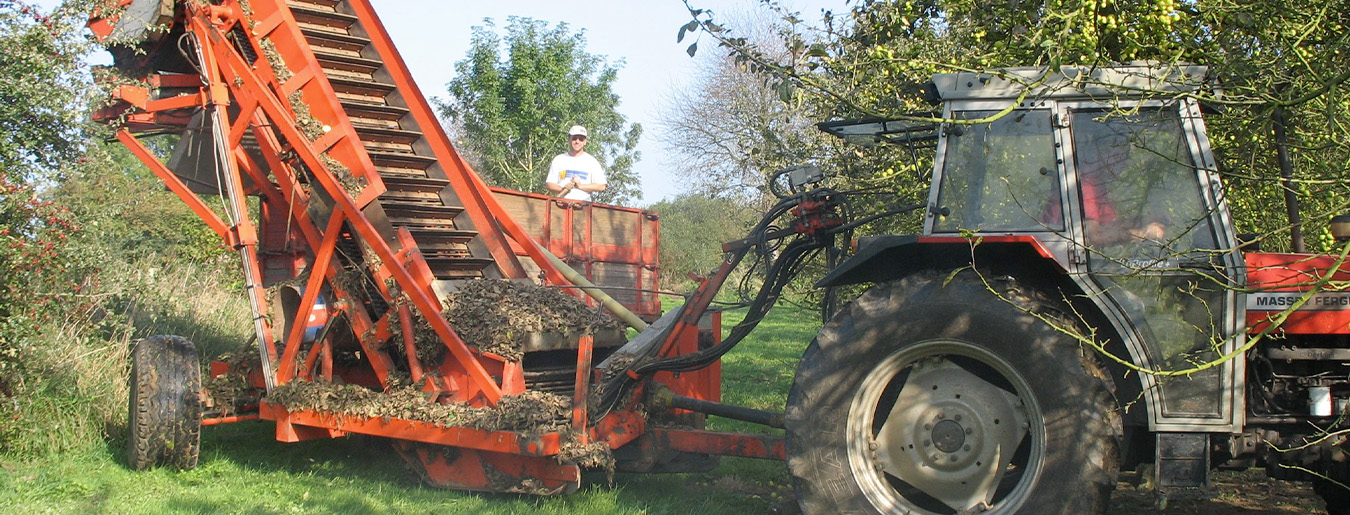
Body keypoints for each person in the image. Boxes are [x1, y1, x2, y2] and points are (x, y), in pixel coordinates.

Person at [547, 125, 607, 201]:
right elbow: (549, 184)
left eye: (581, 139)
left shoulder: (592, 161)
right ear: (569, 139)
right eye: (574, 138)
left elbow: (602, 186)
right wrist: (563, 189)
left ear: (585, 142)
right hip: (561, 205)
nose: (577, 141)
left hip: (584, 206)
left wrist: (581, 186)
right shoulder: (559, 159)